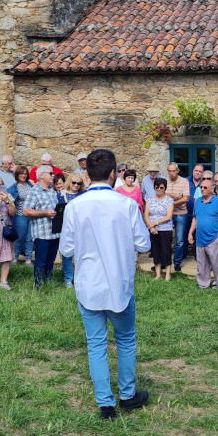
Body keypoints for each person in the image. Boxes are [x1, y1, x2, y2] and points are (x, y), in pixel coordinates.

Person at [59, 149, 151, 420]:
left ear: (87, 175)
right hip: (119, 284)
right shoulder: (126, 205)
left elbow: (66, 249)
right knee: (125, 339)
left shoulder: (75, 206)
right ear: (113, 174)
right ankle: (127, 394)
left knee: (96, 344)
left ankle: (105, 404)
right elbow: (143, 244)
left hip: (89, 285)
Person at [21, 165, 61, 289]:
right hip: (42, 234)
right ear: (41, 175)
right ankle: (39, 286)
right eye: (50, 173)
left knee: (50, 260)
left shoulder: (52, 190)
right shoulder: (34, 191)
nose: (53, 175)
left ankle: (48, 283)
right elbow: (25, 211)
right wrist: (44, 213)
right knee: (41, 261)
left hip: (54, 233)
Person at [188, 177, 218, 289]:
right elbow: (194, 219)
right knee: (201, 264)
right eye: (201, 187)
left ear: (212, 189)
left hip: (213, 238)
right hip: (200, 238)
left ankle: (217, 284)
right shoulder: (198, 202)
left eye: (205, 187)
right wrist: (190, 233)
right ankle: (203, 284)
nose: (202, 189)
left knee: (216, 264)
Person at [59, 172, 86, 287]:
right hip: (66, 227)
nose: (76, 185)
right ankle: (68, 278)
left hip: (80, 227)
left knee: (81, 254)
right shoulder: (62, 194)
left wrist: (85, 181)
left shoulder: (83, 195)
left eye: (78, 183)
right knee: (67, 253)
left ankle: (79, 277)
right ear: (69, 182)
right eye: (74, 183)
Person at [144, 176, 174, 280]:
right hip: (153, 230)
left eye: (161, 187)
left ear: (165, 188)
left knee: (166, 251)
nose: (159, 189)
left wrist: (155, 223)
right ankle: (158, 274)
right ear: (154, 188)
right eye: (157, 187)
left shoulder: (169, 200)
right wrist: (151, 227)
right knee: (155, 251)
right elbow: (146, 214)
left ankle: (168, 274)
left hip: (165, 229)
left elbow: (168, 216)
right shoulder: (150, 200)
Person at [166, 163, 191, 273]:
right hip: (167, 214)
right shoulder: (164, 181)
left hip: (181, 213)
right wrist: (174, 196)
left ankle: (177, 263)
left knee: (180, 240)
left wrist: (170, 202)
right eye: (170, 171)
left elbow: (186, 198)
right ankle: (165, 261)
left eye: (173, 171)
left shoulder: (184, 181)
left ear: (178, 170)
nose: (172, 173)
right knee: (166, 239)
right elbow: (161, 194)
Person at [6, 166, 34, 265]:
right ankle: (15, 258)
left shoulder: (31, 185)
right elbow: (9, 201)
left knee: (30, 238)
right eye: (21, 173)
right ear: (17, 175)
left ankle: (28, 259)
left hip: (31, 215)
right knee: (19, 237)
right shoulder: (13, 188)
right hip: (19, 215)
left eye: (25, 174)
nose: (23, 175)